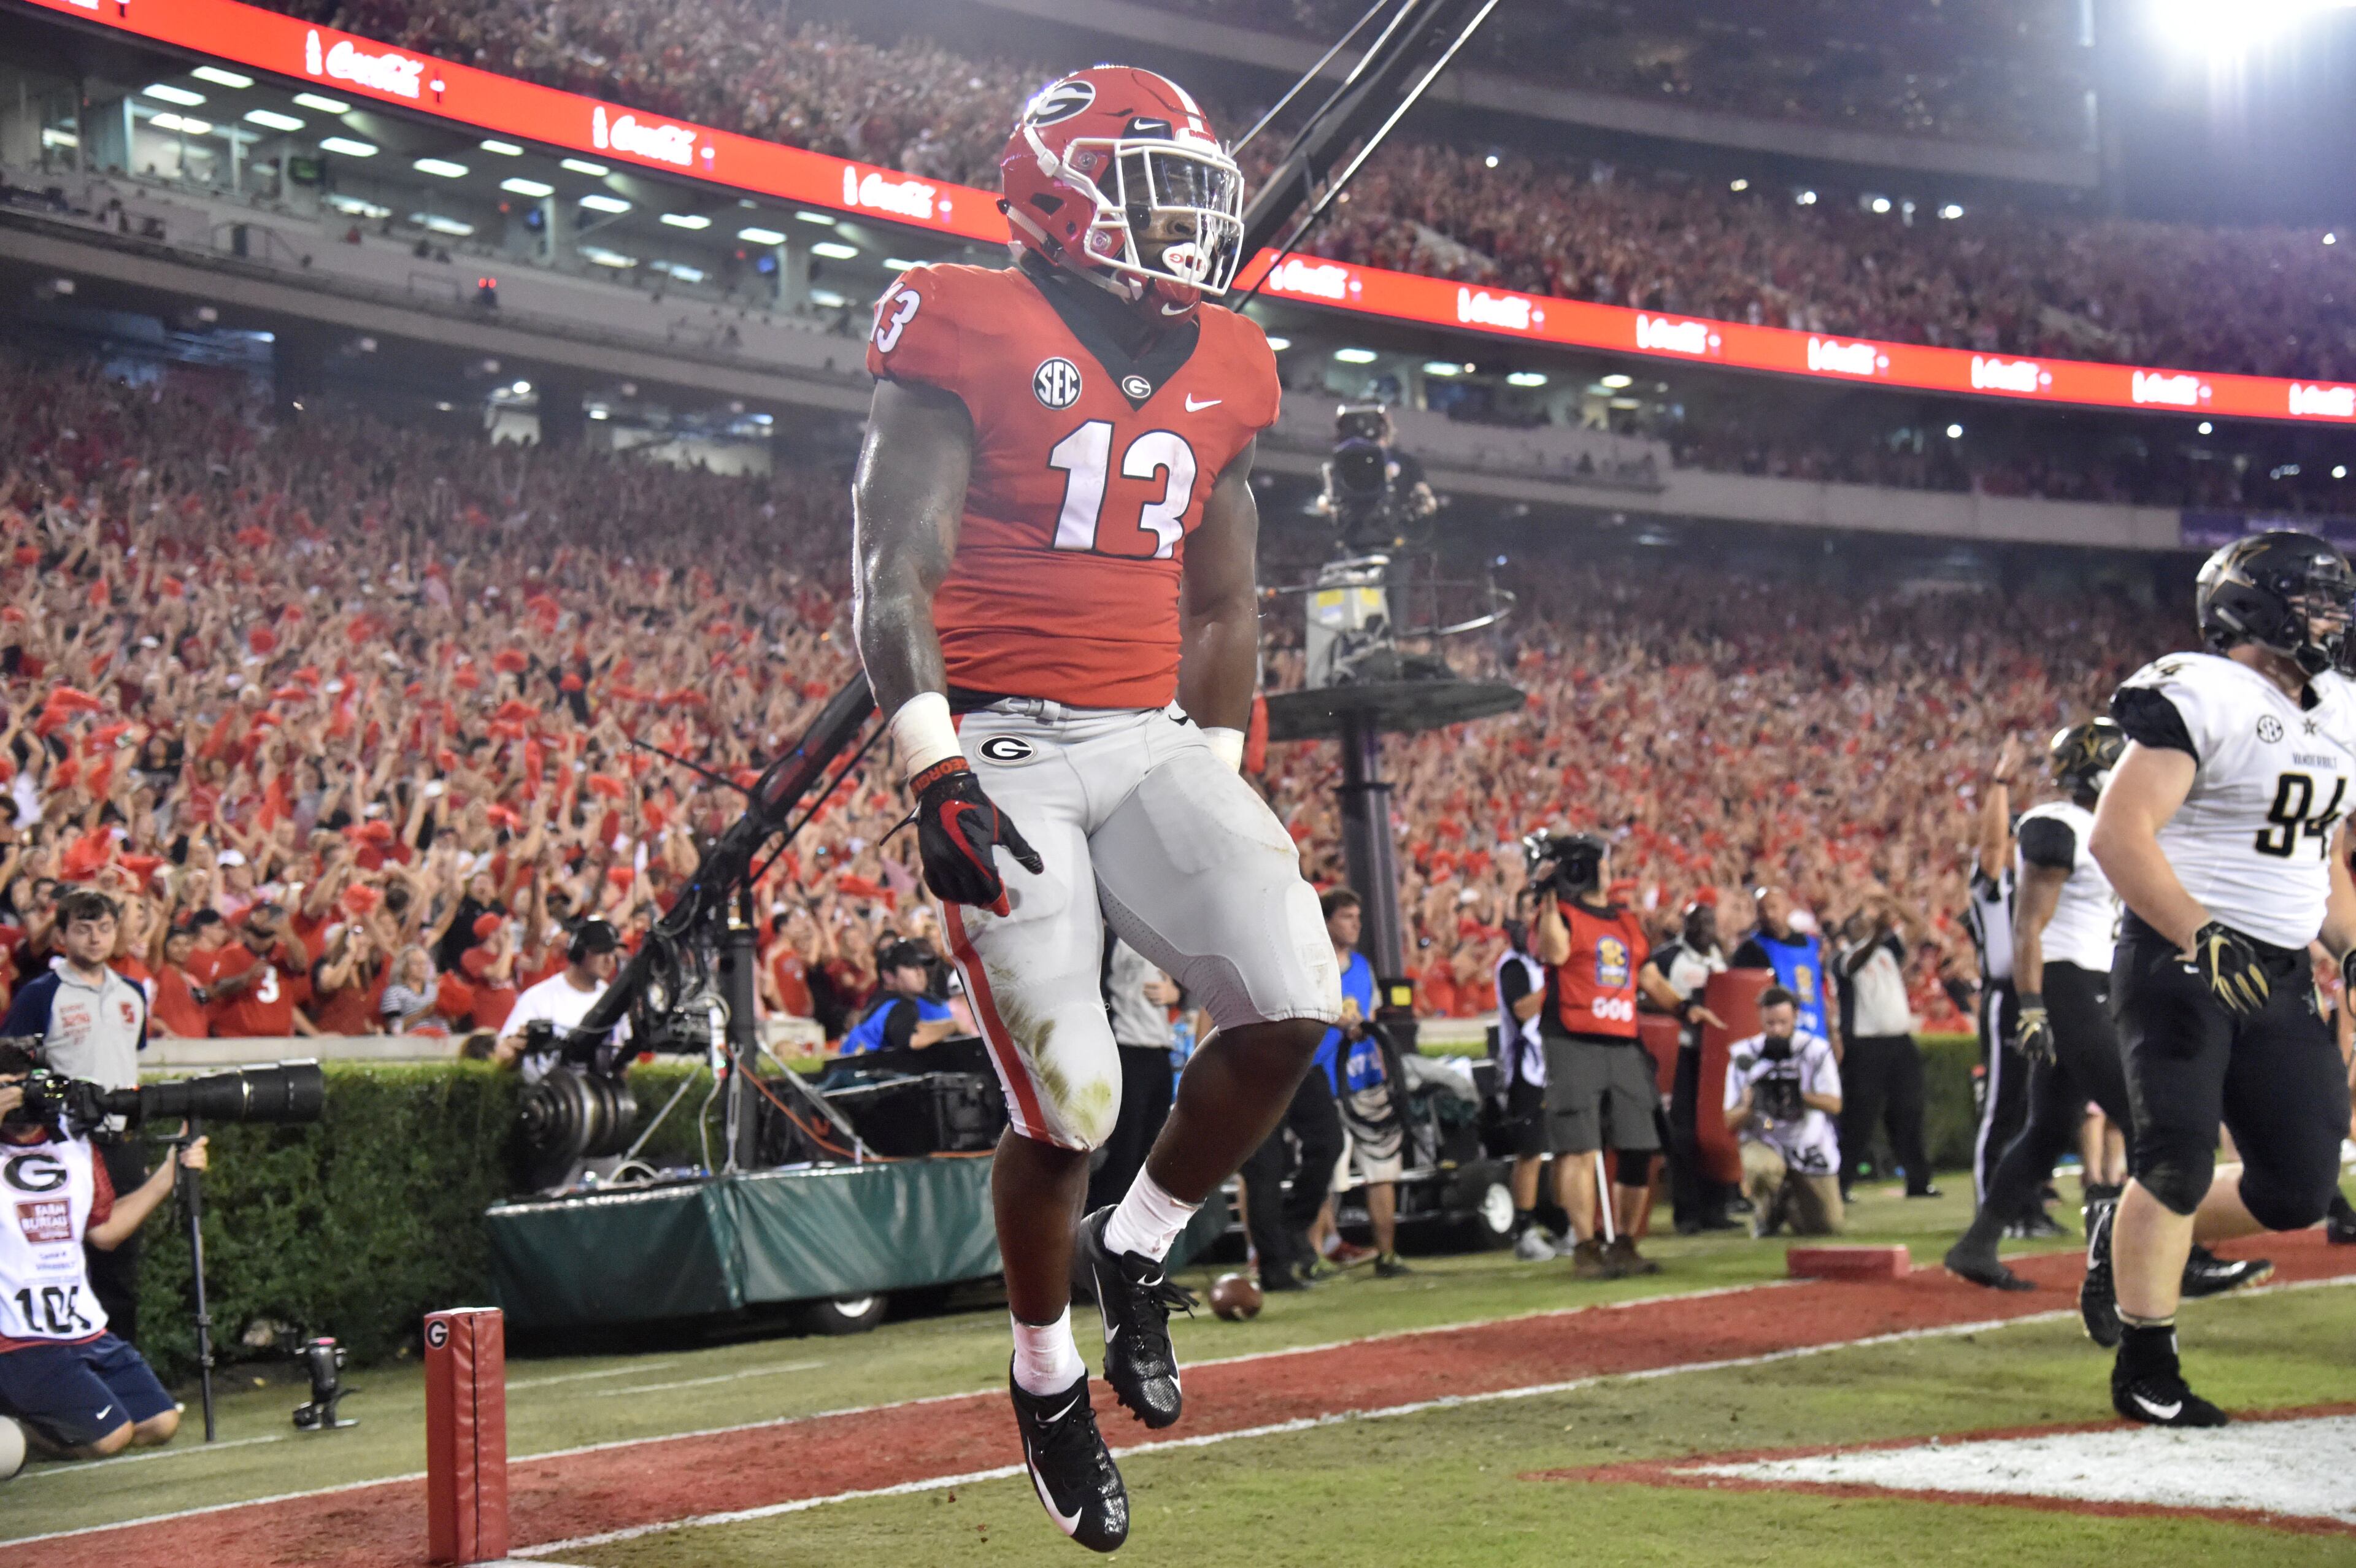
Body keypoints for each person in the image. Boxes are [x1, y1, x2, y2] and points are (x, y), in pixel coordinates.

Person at [850, 66, 1334, 1552]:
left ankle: (1143, 1249)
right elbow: (892, 576)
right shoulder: (961, 318)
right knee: (1068, 1103)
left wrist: (1213, 782)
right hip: (994, 742)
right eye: (1151, 188)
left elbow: (1225, 598)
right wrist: (927, 765)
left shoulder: (1231, 360)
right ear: (1053, 192)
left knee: (1289, 997)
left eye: (1197, 193)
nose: (1185, 224)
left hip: (1145, 738)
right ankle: (1044, 1369)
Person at [2085, 531, 2356, 1427]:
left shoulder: (2342, 710)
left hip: (2278, 972)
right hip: (2180, 958)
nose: (2332, 617)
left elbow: (2313, 866)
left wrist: (2350, 947)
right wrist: (2201, 935)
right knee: (2174, 1160)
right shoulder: (2204, 689)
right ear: (2253, 607)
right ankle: (2145, 1364)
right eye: (2313, 600)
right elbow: (2119, 834)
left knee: (2299, 1188)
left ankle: (2121, 1239)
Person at [1945, 720, 2274, 1301]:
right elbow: (2028, 924)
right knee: (2150, 1117)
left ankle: (1977, 1243)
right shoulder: (2058, 824)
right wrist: (2030, 1005)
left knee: (2047, 1129)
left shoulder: (2115, 826)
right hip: (2068, 984)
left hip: (2092, 982)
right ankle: (2180, 1255)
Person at [0, 1042, 204, 1459]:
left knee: (160, 1423)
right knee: (111, 1438)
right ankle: (13, 1434)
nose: (21, 1100)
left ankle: (28, 1429)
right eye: (6, 1089)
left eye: (27, 1087)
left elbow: (106, 1231)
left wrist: (170, 1173)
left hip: (83, 1327)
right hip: (18, 1336)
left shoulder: (74, 1144)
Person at [1530, 831, 1709, 1280]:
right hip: (1573, 1039)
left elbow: (1645, 974)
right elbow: (1553, 953)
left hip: (1624, 1039)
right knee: (1578, 1146)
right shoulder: (1560, 913)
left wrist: (1684, 1007)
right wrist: (1548, 897)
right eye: (1598, 865)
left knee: (1640, 1144)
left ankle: (1625, 1241)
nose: (1605, 873)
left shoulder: (1625, 920)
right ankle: (1585, 1245)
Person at [0, 892, 151, 1345]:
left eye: (104, 927)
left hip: (120, 1143)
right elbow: (12, 1066)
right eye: (83, 929)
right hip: (63, 1146)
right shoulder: (39, 994)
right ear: (61, 936)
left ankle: (125, 1376)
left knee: (120, 1269)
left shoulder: (133, 992)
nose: (95, 938)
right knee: (58, 1262)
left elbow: (129, 1060)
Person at [1961, 737, 2034, 1222]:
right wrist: (2003, 782)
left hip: (2036, 995)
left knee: (2035, 1108)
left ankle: (2026, 1202)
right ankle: (1994, 1206)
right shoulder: (1993, 884)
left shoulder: (2036, 886)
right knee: (2004, 1104)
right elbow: (1990, 850)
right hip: (2005, 996)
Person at [1320, 890, 1409, 1278]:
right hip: (1326, 1080)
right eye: (1346, 917)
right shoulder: (1313, 968)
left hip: (1367, 1079)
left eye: (1357, 916)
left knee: (1382, 1168)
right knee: (1326, 1174)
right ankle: (1319, 1253)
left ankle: (1386, 1254)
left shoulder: (1362, 967)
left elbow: (1370, 1017)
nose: (1355, 924)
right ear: (1325, 922)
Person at [1641, 893, 1734, 1234]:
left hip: (1715, 1056)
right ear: (1685, 924)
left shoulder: (1719, 956)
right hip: (1681, 1053)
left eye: (1710, 922)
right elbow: (1644, 996)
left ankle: (1716, 1207)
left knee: (1715, 1129)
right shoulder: (1668, 958)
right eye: (1698, 922)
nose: (1706, 929)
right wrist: (1680, 1010)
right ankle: (1687, 1212)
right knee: (1682, 1135)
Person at [1835, 892, 1938, 1198]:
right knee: (1858, 1117)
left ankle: (1919, 1181)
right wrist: (1878, 933)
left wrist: (1893, 901)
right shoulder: (1843, 957)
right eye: (1858, 922)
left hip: (1899, 1042)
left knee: (1909, 1111)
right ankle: (1840, 1184)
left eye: (1866, 921)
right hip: (1865, 1046)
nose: (1863, 925)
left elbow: (1918, 925)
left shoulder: (1887, 951)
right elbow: (1855, 963)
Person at [1723, 988, 1844, 1236]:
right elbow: (1729, 1121)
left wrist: (1799, 1095)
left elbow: (1834, 1104)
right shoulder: (1744, 1055)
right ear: (1760, 1019)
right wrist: (1749, 1105)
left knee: (1826, 1227)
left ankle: (1788, 1204)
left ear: (1796, 1017)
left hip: (1807, 1138)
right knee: (1763, 1169)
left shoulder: (1816, 1051)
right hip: (1766, 1132)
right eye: (1770, 1023)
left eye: (1783, 1023)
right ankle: (1767, 1211)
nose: (1777, 1030)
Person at [1085, 937, 1179, 1215]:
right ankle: (1101, 1225)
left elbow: (1188, 980)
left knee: (1150, 1151)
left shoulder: (1162, 933)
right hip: (1125, 1051)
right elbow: (1095, 988)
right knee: (1123, 1151)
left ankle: (1133, 1232)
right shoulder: (1110, 937)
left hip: (1160, 1053)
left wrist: (1178, 994)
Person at [1493, 893, 1555, 1261]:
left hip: (1552, 1066)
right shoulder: (1514, 965)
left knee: (1561, 1151)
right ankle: (1524, 1231)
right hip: (1525, 1069)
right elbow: (1523, 1009)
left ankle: (1559, 1224)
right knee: (1530, 1152)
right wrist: (1558, 983)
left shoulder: (1538, 963)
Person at [495, 920, 626, 1083]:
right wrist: (513, 1047)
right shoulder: (539, 997)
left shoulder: (614, 1000)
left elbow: (624, 1066)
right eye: (601, 951)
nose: (609, 960)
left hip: (601, 1095)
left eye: (612, 952)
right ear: (578, 953)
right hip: (547, 1095)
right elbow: (503, 1053)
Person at [1731, 886, 1838, 1053]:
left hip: (1814, 1033)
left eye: (1773, 907)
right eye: (1762, 910)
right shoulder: (1751, 949)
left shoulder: (1812, 945)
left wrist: (1832, 1032)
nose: (1768, 915)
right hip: (1779, 1038)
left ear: (1788, 908)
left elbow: (1819, 991)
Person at [837, 939, 958, 1056]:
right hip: (861, 1072)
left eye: (920, 966)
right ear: (889, 976)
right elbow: (912, 1040)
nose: (920, 972)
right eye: (910, 966)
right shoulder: (896, 1005)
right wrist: (955, 1025)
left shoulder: (883, 1001)